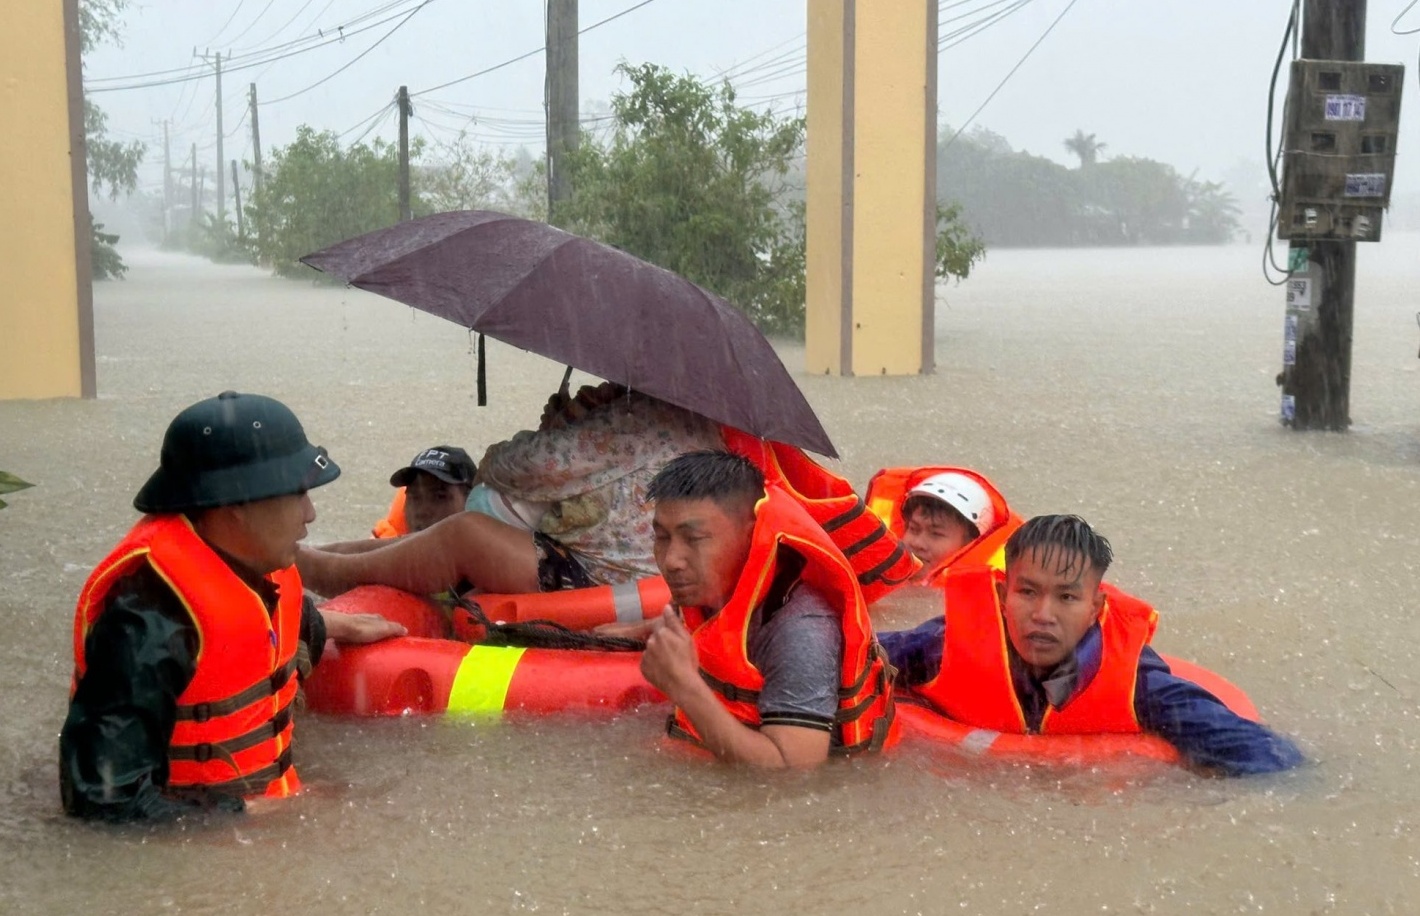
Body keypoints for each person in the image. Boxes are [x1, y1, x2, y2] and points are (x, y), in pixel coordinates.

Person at [59, 391, 406, 822]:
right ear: (236, 504)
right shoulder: (147, 624)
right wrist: (247, 813)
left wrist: (330, 625)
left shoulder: (258, 564)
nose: (311, 513)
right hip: (199, 851)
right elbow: (102, 802)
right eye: (297, 493)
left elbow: (258, 631)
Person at [877, 514, 1304, 776]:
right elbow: (856, 652)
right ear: (1004, 594)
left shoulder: (1135, 681)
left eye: (1066, 597)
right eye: (1027, 593)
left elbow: (1256, 753)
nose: (1043, 614)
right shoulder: (944, 644)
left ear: (1095, 606)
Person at [602, 451, 893, 769]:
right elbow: (708, 628)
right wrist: (639, 629)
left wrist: (685, 689)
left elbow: (795, 770)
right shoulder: (706, 586)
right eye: (662, 537)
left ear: (752, 535)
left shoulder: (801, 630)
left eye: (694, 538)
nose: (671, 560)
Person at [296, 383, 723, 597]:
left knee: (464, 534)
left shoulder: (636, 421)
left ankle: (321, 572)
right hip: (639, 570)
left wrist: (561, 426)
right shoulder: (699, 418)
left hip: (605, 578)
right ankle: (317, 554)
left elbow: (511, 467)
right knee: (435, 537)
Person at [864, 466, 1018, 585]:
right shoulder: (870, 577)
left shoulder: (976, 602)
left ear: (969, 545)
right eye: (913, 528)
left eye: (935, 534)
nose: (917, 543)